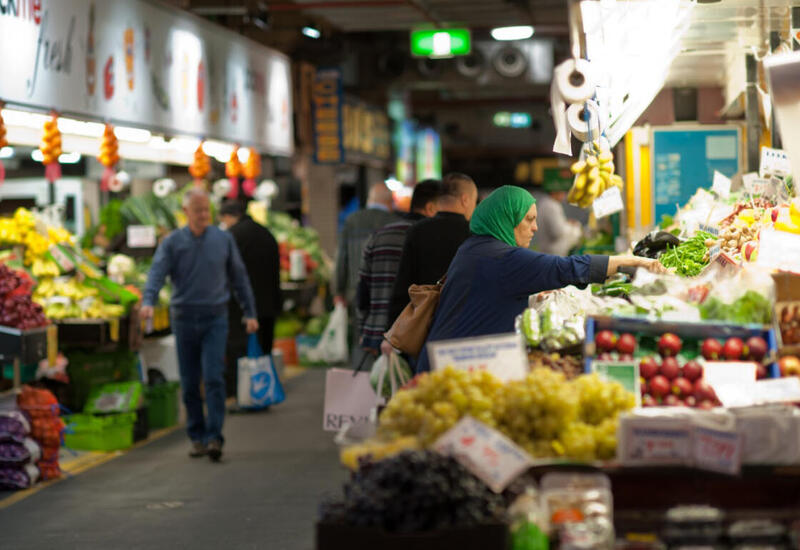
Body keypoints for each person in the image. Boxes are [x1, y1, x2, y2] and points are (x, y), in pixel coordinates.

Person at [415, 186, 666, 372]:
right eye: (529, 220)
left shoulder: (474, 248)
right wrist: (635, 262)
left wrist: (531, 296)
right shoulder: (502, 257)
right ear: (508, 217)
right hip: (453, 368)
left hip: (446, 358)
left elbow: (486, 294)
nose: (535, 228)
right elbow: (566, 268)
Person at [141, 188, 258, 462]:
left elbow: (239, 277)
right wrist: (149, 300)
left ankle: (215, 436)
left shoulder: (223, 239)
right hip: (183, 318)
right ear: (186, 212)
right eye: (198, 210)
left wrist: (249, 312)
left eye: (207, 210)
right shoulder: (172, 243)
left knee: (214, 376)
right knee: (190, 381)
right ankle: (197, 436)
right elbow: (157, 272)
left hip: (215, 318)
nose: (203, 215)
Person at [356, 180, 442, 355]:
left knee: (382, 382)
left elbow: (362, 291)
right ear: (431, 208)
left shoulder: (380, 235)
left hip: (378, 333)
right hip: (417, 337)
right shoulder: (433, 239)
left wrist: (365, 328)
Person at [388, 173, 478, 325]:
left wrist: (394, 327)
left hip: (423, 325)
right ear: (465, 200)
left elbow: (403, 286)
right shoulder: (475, 234)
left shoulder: (416, 231)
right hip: (463, 324)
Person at [218, 200, 281, 409]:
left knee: (238, 351)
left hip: (241, 306)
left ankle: (239, 396)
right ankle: (262, 396)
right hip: (269, 303)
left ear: (228, 217)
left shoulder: (232, 236)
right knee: (263, 350)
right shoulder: (266, 233)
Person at [334, 182, 399, 366]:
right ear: (389, 202)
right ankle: (386, 381)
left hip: (356, 290)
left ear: (371, 200)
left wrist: (338, 291)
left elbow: (342, 258)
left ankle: (361, 379)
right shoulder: (395, 223)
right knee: (388, 337)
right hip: (387, 292)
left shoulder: (351, 221)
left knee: (360, 338)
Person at [530, 187, 583, 256]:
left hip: (547, 251)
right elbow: (558, 232)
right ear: (555, 192)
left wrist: (566, 223)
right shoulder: (552, 205)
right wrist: (572, 226)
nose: (564, 195)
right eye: (562, 192)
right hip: (553, 253)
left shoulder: (545, 203)